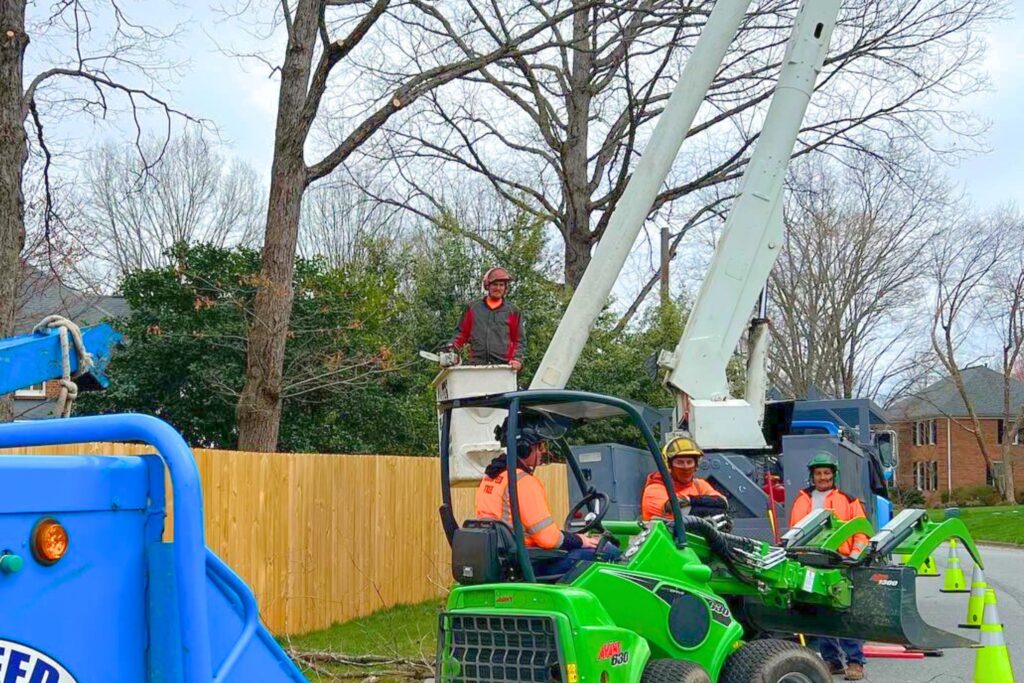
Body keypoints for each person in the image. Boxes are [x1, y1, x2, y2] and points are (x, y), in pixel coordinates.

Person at [476, 415, 611, 574]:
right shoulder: (522, 481)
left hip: (506, 558)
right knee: (608, 552)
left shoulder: (491, 478)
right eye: (540, 446)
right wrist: (580, 540)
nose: (543, 452)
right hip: (530, 563)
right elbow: (548, 539)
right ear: (524, 448)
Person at [789, 452, 870, 681]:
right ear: (812, 476)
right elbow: (796, 530)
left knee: (843, 611)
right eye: (818, 473)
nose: (822, 477)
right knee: (820, 610)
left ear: (834, 475)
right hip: (811, 561)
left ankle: (855, 662)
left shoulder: (848, 499)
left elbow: (861, 531)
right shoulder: (802, 499)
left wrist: (854, 556)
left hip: (841, 562)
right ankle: (831, 660)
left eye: (826, 473)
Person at [448, 266, 525, 370]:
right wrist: (450, 349)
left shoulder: (513, 311)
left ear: (505, 288)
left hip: (504, 367)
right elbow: (461, 334)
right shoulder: (473, 308)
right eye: (495, 284)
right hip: (476, 366)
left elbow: (519, 340)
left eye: (501, 285)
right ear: (487, 286)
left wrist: (517, 358)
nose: (498, 288)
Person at [641, 436, 728, 521]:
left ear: (696, 465)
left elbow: (723, 502)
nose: (685, 467)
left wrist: (690, 500)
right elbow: (683, 516)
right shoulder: (654, 490)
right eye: (680, 462)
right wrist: (714, 514)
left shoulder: (698, 484)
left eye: (689, 462)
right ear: (669, 465)